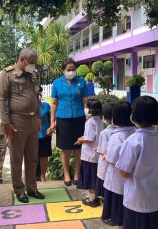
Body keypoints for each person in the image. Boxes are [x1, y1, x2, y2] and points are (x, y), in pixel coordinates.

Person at [0, 48, 45, 203]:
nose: (33, 65)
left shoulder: (32, 74)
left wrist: (38, 117)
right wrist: (6, 122)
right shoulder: (7, 74)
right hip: (17, 120)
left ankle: (32, 188)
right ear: (22, 60)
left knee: (32, 156)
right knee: (17, 158)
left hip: (32, 120)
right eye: (31, 62)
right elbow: (1, 99)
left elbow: (36, 97)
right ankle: (19, 189)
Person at [116, 96, 158, 229]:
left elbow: (124, 171)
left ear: (135, 115)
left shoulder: (133, 141)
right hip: (157, 196)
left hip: (137, 198)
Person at [49, 58, 89, 186]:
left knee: (78, 148)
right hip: (63, 118)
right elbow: (54, 103)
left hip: (78, 117)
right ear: (63, 70)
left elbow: (85, 102)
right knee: (65, 148)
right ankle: (67, 174)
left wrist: (90, 116)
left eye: (73, 70)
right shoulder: (57, 83)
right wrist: (52, 122)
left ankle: (77, 174)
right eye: (68, 70)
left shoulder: (81, 82)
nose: (71, 72)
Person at [102, 101, 135, 228]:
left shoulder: (117, 136)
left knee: (120, 215)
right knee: (125, 213)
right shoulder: (134, 133)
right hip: (129, 181)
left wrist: (105, 155)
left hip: (117, 181)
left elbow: (112, 158)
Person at [75, 98, 103, 207]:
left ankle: (92, 200)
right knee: (95, 176)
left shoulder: (91, 122)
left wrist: (81, 139)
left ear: (90, 108)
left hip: (89, 154)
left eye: (87, 107)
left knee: (90, 177)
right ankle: (95, 197)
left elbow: (90, 138)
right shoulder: (99, 120)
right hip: (96, 153)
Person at [95, 103, 117, 202]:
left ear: (106, 118)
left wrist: (98, 148)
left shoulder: (105, 133)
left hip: (105, 161)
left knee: (105, 182)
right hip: (115, 163)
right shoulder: (120, 130)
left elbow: (103, 149)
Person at [36, 89, 53, 182]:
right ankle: (32, 176)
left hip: (45, 135)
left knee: (44, 156)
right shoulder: (29, 108)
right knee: (32, 156)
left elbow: (51, 119)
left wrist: (51, 128)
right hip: (32, 135)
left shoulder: (46, 106)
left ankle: (42, 176)